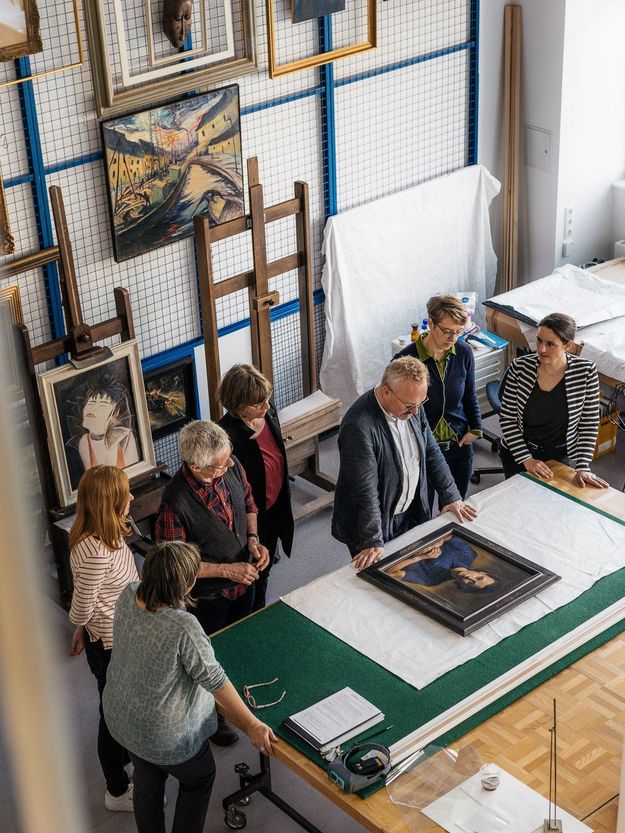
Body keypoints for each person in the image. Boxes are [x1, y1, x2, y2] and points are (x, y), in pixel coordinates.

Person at [103, 541, 277, 833]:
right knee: (199, 777)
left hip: (123, 720)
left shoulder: (128, 593)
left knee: (147, 780)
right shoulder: (183, 626)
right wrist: (252, 724)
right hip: (165, 735)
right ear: (182, 585)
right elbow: (216, 681)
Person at [155, 419, 270, 745]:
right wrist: (226, 571)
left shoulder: (228, 465)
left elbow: (247, 501)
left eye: (229, 459)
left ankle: (241, 704)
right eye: (221, 465)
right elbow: (175, 568)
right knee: (208, 662)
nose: (230, 465)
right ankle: (212, 717)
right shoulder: (173, 503)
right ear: (196, 466)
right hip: (207, 600)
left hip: (241, 584)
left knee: (239, 646)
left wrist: (253, 537)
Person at [331, 356, 478, 570]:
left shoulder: (412, 404)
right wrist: (372, 539)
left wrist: (451, 496)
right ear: (386, 391)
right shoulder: (359, 426)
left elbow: (431, 451)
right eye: (410, 406)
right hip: (374, 521)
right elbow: (365, 489)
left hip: (410, 510)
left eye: (420, 404)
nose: (416, 412)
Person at [67, 465, 138, 812]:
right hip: (111, 646)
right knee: (112, 717)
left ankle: (124, 765)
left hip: (119, 636)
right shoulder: (96, 551)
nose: (132, 497)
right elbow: (83, 605)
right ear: (110, 501)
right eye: (126, 493)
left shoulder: (106, 533)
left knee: (119, 711)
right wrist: (80, 625)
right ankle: (116, 790)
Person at [499, 312, 608, 489]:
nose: (541, 349)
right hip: (518, 451)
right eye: (539, 341)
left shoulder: (585, 372)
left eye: (550, 344)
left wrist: (583, 465)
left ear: (568, 345)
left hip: (558, 453)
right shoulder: (519, 367)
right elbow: (508, 419)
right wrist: (527, 460)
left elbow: (588, 422)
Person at [217, 364, 294, 611]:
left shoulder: (268, 416)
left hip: (275, 509)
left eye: (267, 400)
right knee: (251, 579)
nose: (267, 407)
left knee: (265, 571)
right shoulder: (225, 435)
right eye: (258, 404)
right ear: (237, 404)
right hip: (250, 518)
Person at [394, 294, 482, 499]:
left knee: (455, 505)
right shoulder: (404, 360)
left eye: (458, 333)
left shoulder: (464, 352)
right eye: (447, 332)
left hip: (458, 445)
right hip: (422, 450)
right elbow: (396, 411)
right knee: (421, 513)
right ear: (431, 324)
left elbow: (469, 394)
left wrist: (475, 428)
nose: (452, 339)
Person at [65, 370, 139, 489]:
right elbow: (93, 488)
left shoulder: (125, 436)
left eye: (103, 405)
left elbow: (136, 478)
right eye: (91, 403)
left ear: (116, 413)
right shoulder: (84, 442)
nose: (93, 409)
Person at [387, 534, 499, 592]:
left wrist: (419, 557)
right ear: (482, 572)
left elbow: (390, 572)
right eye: (478, 578)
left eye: (471, 583)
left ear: (464, 587)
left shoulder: (432, 580)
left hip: (393, 546)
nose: (470, 578)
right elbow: (447, 533)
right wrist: (436, 544)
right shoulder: (468, 554)